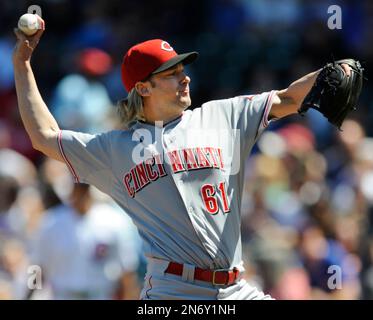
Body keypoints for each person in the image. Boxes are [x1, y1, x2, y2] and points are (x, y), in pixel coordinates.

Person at [12, 17, 353, 300]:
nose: (184, 76)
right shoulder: (114, 149)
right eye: (171, 73)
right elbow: (43, 137)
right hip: (172, 292)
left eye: (182, 69)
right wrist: (23, 64)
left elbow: (287, 98)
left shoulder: (224, 116)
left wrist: (329, 72)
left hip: (235, 289)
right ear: (143, 88)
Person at [28, 183, 141, 300]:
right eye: (77, 187)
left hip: (100, 294)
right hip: (63, 295)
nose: (80, 193)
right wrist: (32, 295)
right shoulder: (50, 222)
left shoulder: (113, 220)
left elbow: (127, 270)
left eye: (84, 187)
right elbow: (37, 266)